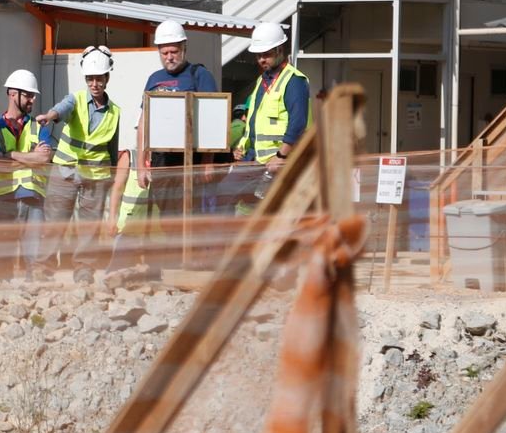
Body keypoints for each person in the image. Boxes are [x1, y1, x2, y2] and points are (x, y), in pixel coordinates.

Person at [114, 20, 219, 272]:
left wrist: (207, 163)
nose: (169, 57)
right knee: (166, 213)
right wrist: (141, 165)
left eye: (174, 51)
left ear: (184, 48)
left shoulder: (200, 75)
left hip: (190, 160)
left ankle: (189, 263)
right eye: (164, 52)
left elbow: (212, 119)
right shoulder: (154, 79)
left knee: (188, 213)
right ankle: (169, 262)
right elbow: (144, 123)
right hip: (162, 160)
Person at [34, 45, 119, 283]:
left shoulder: (115, 112)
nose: (94, 84)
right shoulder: (77, 99)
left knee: (90, 227)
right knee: (55, 222)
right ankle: (43, 268)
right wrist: (49, 116)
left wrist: (110, 176)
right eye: (90, 79)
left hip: (96, 176)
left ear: (107, 78)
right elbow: (63, 109)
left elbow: (112, 146)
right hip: (65, 170)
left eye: (99, 78)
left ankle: (84, 270)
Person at [231, 21, 311, 215]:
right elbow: (253, 122)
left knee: (273, 214)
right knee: (234, 200)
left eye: (266, 54)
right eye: (258, 55)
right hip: (257, 162)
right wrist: (242, 146)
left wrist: (281, 156)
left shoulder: (294, 81)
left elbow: (298, 124)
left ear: (279, 50)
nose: (261, 60)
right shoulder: (262, 81)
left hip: (281, 163)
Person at [0, 70, 51, 280]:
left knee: (35, 260)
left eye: (33, 95)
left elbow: (43, 159)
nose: (33, 99)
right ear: (13, 94)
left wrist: (9, 156)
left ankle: (35, 299)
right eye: (28, 94)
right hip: (2, 197)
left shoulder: (39, 127)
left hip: (32, 196)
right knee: (4, 258)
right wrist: (27, 156)